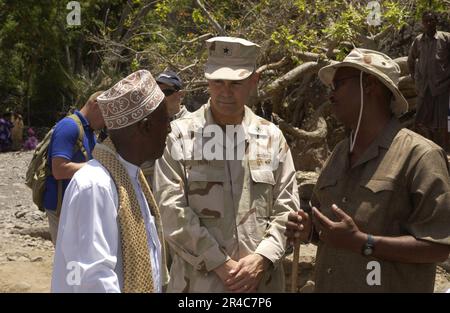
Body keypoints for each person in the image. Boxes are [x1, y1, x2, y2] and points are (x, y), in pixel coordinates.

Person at [285, 48, 450, 292]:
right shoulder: (339, 153)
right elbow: (333, 233)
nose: (331, 95)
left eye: (338, 84)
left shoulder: (421, 156)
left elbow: (439, 245)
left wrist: (364, 243)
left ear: (369, 84)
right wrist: (309, 230)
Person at [153, 36, 300, 292]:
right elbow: (170, 211)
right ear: (207, 80)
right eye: (217, 81)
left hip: (260, 286)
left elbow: (287, 206)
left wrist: (263, 258)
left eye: (235, 83)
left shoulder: (272, 137)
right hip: (198, 287)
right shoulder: (177, 137)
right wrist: (220, 264)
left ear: (254, 82)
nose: (225, 92)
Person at [51, 69, 170, 293]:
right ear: (145, 127)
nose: (170, 129)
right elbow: (92, 281)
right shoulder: (95, 185)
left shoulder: (132, 179)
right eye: (166, 121)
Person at [43, 91, 105, 245]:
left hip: (75, 207)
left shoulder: (89, 131)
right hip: (61, 208)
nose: (106, 122)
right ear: (96, 105)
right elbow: (59, 169)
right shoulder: (69, 126)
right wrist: (99, 167)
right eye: (106, 115)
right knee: (67, 262)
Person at [407, 10, 450, 151]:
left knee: (443, 123)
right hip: (424, 88)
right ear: (422, 23)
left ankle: (444, 152)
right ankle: (427, 150)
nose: (429, 23)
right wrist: (415, 79)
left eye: (431, 20)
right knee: (421, 121)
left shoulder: (445, 39)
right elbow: (411, 61)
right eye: (426, 21)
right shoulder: (418, 41)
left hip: (442, 87)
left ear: (436, 22)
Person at [141, 70, 188, 185]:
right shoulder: (147, 125)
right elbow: (140, 164)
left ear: (181, 94)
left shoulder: (192, 124)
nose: (160, 97)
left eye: (166, 92)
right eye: (157, 93)